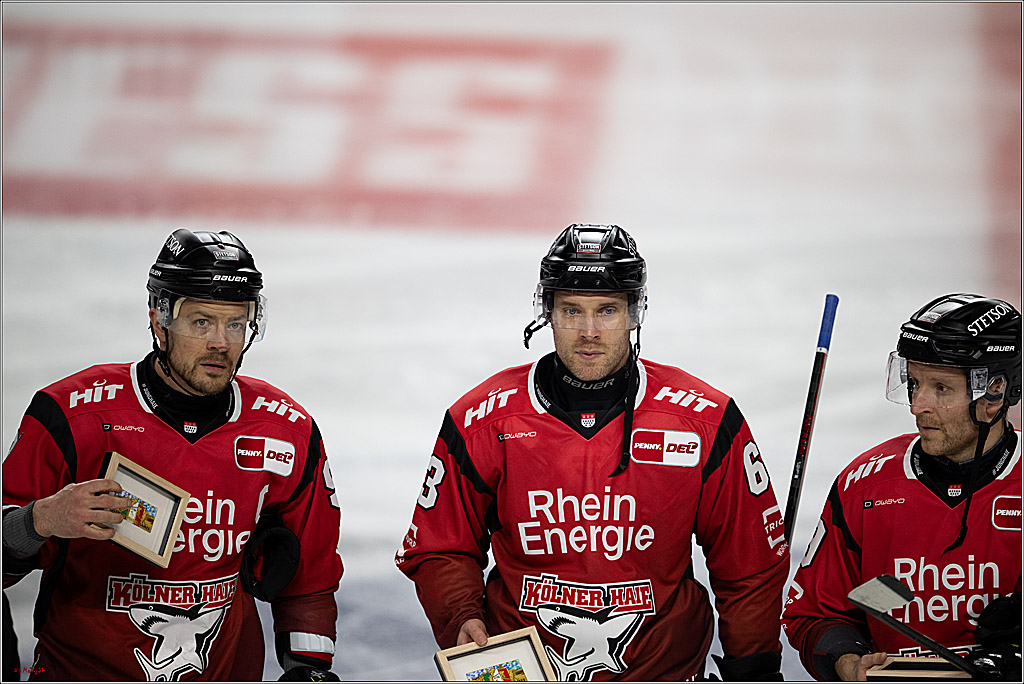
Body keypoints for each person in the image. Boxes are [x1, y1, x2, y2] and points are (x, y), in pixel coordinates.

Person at [395, 224, 791, 681]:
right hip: (522, 674)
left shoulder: (705, 420)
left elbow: (751, 563)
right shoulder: (482, 420)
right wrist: (460, 615)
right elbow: (441, 545)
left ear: (634, 313)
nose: (587, 331)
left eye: (606, 310)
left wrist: (754, 666)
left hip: (663, 672)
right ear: (548, 311)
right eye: (570, 310)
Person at [2, 229, 343, 681]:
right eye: (201, 322)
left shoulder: (286, 431)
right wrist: (39, 520)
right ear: (159, 320)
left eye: (235, 323)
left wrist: (309, 670)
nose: (221, 341)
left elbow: (310, 578)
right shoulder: (71, 416)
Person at [782, 293, 1022, 681]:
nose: (917, 405)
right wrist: (849, 661)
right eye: (914, 383)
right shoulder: (864, 486)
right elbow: (815, 613)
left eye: (941, 389)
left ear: (993, 393)